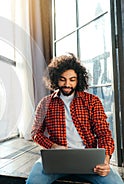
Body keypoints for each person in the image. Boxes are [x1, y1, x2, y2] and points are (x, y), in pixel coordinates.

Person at [26, 54, 123, 184]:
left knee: (115, 182)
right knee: (34, 181)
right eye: (62, 79)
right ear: (55, 79)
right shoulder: (45, 103)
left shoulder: (92, 101)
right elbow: (36, 133)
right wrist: (54, 146)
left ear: (78, 80)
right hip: (56, 159)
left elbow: (104, 133)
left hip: (89, 160)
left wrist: (105, 160)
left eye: (72, 80)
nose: (67, 84)